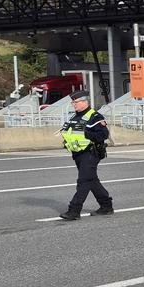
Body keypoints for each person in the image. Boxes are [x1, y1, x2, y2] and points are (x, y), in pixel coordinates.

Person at [59, 90, 113, 220]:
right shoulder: (75, 116)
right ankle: (106, 206)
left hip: (91, 153)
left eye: (75, 102)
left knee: (83, 181)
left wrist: (86, 134)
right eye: (73, 102)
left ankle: (74, 210)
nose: (73, 105)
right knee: (92, 180)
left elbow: (103, 135)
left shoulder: (95, 117)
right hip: (78, 154)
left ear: (84, 102)